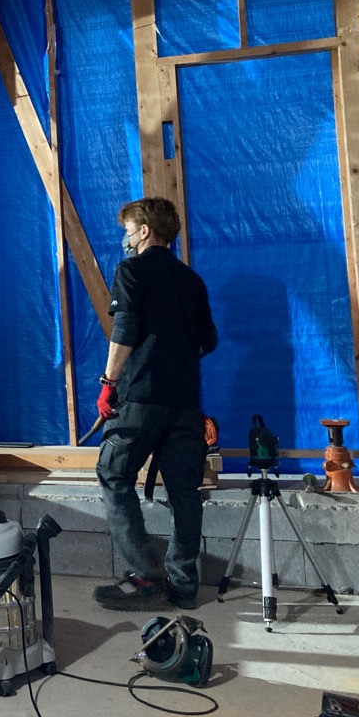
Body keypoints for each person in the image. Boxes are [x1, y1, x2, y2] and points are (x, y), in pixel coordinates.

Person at [92, 197, 217, 611]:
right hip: (185, 402)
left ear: (145, 231)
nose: (126, 238)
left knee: (114, 475)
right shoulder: (192, 281)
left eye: (128, 230)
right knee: (185, 492)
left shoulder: (131, 271)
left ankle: (144, 576)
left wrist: (109, 382)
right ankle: (184, 586)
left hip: (140, 399)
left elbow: (125, 328)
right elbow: (208, 341)